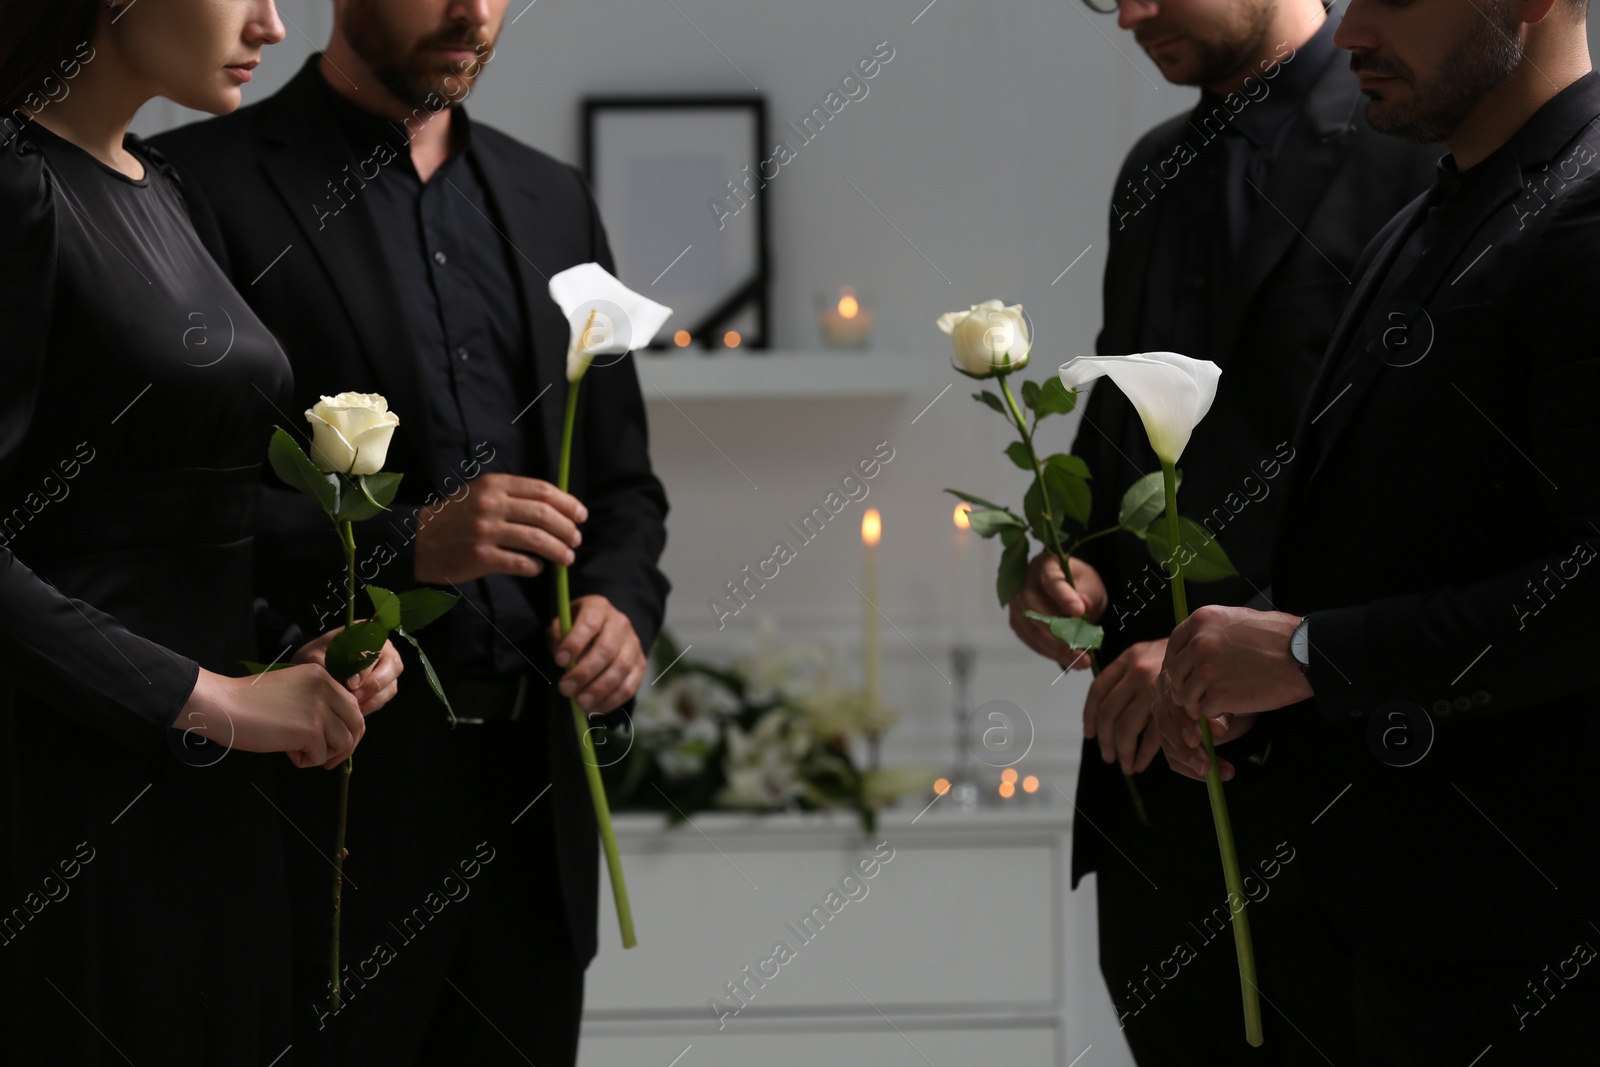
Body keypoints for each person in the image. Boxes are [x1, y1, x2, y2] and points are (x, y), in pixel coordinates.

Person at [152, 1, 671, 1062]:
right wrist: (406, 543)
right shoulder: (194, 183)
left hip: (538, 814)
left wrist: (622, 607)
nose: (473, 12)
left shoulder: (553, 198)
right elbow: (170, 513)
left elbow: (622, 484)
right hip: (318, 817)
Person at [1150, 0, 1600, 1058]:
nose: (1349, 32)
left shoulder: (1586, 218)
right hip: (1398, 946)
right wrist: (1231, 658)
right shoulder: (1425, 219)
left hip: (1537, 951)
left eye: (1392, 0)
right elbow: (1398, 540)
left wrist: (1310, 654)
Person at [1005, 0, 1434, 1061]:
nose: (1130, 16)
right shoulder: (1148, 171)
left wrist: (1230, 660)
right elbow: (1117, 456)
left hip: (1343, 808)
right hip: (1150, 812)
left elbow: (1417, 486)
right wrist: (1063, 575)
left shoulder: (1415, 141)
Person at [0, 1, 404, 1063]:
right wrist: (214, 699)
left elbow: (170, 507)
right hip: (62, 786)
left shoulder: (163, 186)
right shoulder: (12, 182)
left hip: (207, 793)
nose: (273, 23)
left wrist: (297, 653)